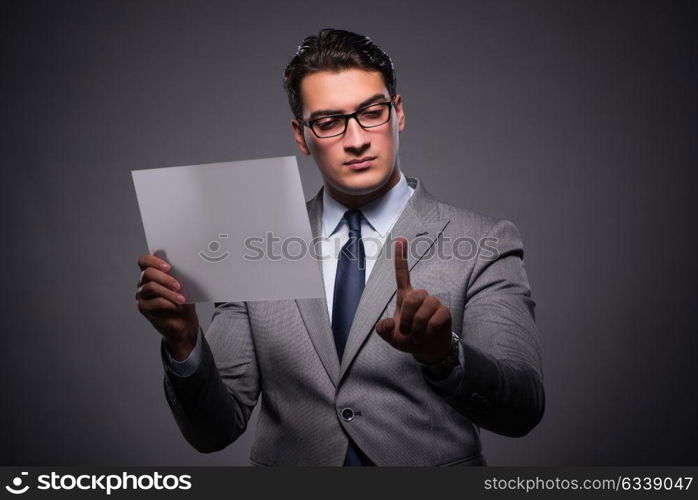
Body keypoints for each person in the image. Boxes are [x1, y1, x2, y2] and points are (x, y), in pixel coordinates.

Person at [135, 28, 544, 466]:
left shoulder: (483, 242)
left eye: (372, 112)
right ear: (301, 136)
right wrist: (184, 341)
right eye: (329, 122)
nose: (356, 140)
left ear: (398, 112)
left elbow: (521, 410)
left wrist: (446, 355)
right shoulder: (255, 240)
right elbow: (214, 430)